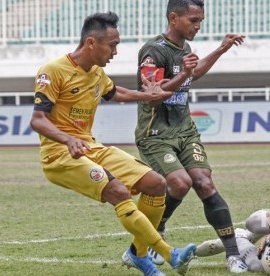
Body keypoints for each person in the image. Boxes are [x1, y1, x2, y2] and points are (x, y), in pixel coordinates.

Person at [30, 11, 197, 276]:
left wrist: (149, 94)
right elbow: (38, 120)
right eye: (113, 45)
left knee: (156, 184)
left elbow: (116, 92)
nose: (116, 51)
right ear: (91, 43)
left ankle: (137, 254)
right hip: (60, 155)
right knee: (118, 191)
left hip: (90, 148)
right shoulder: (53, 71)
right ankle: (169, 253)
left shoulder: (96, 73)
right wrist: (68, 139)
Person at [134, 0, 247, 273]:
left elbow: (191, 75)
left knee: (203, 182)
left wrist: (221, 49)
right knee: (180, 183)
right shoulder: (152, 50)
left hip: (185, 130)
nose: (198, 26)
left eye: (200, 21)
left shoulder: (183, 47)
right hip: (156, 134)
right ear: (174, 18)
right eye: (193, 20)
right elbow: (152, 96)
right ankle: (156, 231)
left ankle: (233, 254)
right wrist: (184, 72)